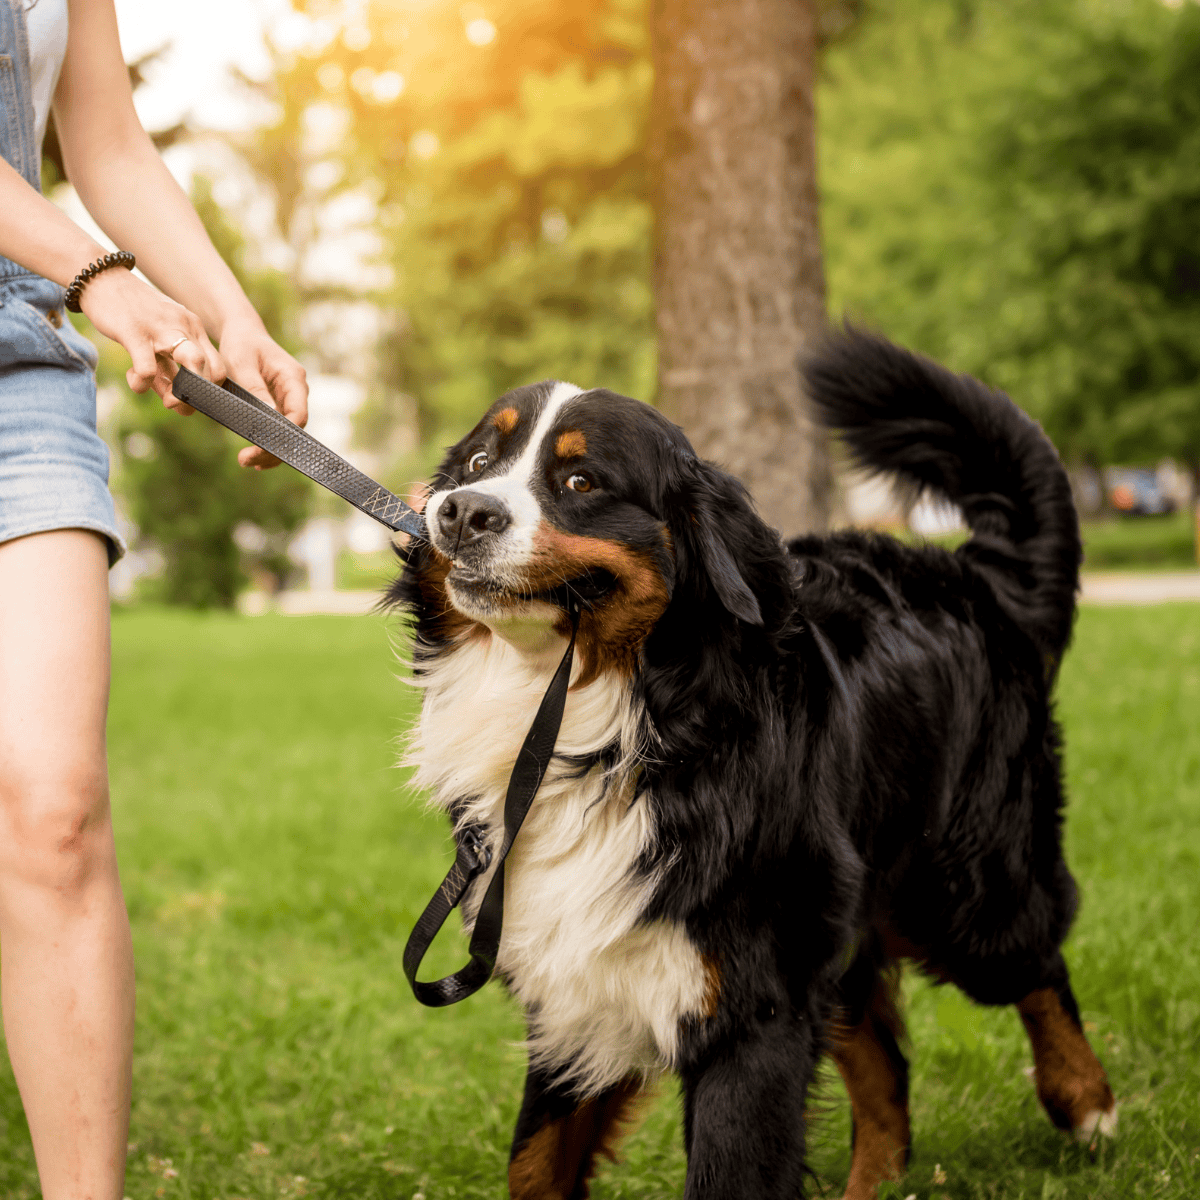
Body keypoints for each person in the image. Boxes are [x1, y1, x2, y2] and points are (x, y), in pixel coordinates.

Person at [0, 0, 308, 1195]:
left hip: (16, 361)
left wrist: (233, 317)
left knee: (55, 807)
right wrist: (98, 276)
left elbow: (108, 142)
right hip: (60, 284)